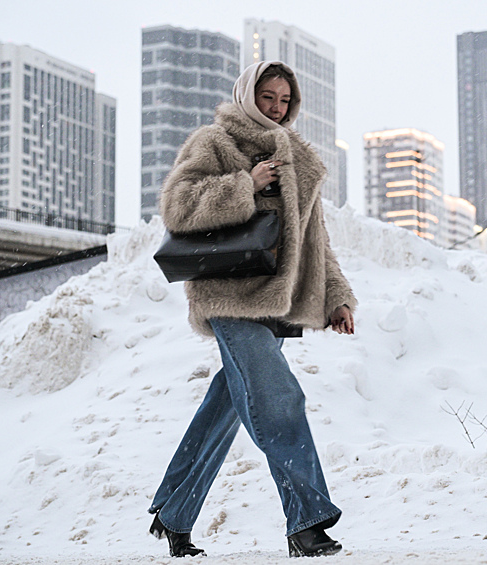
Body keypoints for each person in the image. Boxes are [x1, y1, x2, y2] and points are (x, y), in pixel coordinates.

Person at [148, 61, 357, 558]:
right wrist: (245, 182)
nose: (277, 108)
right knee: (278, 400)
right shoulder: (215, 143)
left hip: (277, 304)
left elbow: (314, 241)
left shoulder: (299, 159)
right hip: (230, 295)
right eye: (268, 96)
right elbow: (177, 205)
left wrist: (337, 297)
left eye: (285, 100)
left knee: (225, 411)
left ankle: (174, 513)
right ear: (247, 94)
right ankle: (306, 522)